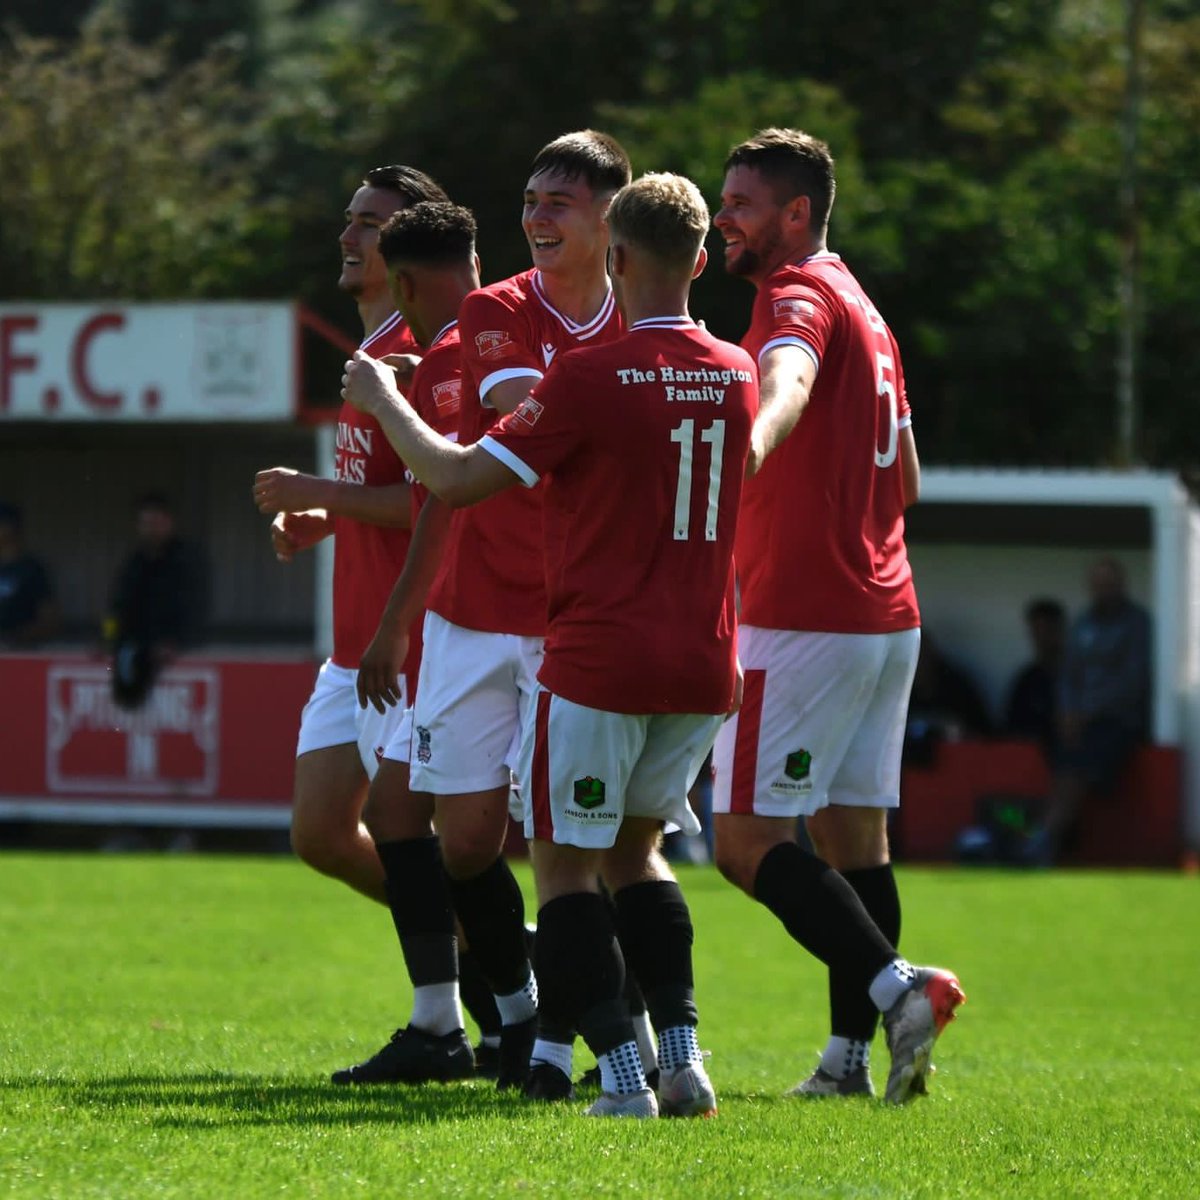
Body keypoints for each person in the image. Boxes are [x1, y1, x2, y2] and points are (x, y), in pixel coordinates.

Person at [344, 170, 747, 1119]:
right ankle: (683, 1058)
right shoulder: (735, 371)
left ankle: (617, 1075)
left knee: (564, 869)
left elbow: (453, 477)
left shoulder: (591, 375)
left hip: (599, 655)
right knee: (638, 860)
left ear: (616, 254)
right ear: (699, 260)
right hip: (702, 660)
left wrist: (382, 400)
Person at [337, 131, 635, 1096]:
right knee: (454, 838)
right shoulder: (489, 324)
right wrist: (397, 626)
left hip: (567, 626)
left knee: (583, 849)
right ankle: (507, 1017)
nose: (538, 218)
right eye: (531, 202)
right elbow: (447, 494)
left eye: (560, 202)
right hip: (466, 626)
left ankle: (603, 1038)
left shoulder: (639, 330)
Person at [710, 128, 964, 1103]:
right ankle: (848, 1064)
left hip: (804, 610)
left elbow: (783, 384)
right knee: (858, 841)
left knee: (744, 840)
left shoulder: (799, 295)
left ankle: (900, 987)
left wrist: (751, 447)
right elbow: (905, 479)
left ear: (795, 214)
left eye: (739, 202)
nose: (726, 217)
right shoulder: (868, 305)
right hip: (884, 609)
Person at [251, 166, 504, 1062]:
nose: (353, 238)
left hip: (413, 640)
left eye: (374, 225)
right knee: (324, 833)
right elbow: (386, 491)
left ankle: (467, 1003)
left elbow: (446, 494)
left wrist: (320, 488)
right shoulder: (375, 350)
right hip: (353, 641)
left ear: (410, 253)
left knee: (423, 832)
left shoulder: (424, 353)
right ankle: (485, 963)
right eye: (350, 220)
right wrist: (325, 515)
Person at [1031, 559, 1151, 864]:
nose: (1103, 590)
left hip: (1118, 721)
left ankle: (1043, 839)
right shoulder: (1083, 624)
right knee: (1063, 766)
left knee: (1076, 770)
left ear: (1121, 585)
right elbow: (1069, 676)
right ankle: (1046, 840)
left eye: (1109, 583)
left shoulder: (1137, 625)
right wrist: (1068, 712)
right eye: (1098, 584)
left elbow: (1133, 681)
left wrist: (1086, 713)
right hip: (1078, 723)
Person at [105, 492, 207, 708]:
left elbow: (196, 609)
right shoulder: (133, 564)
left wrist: (177, 642)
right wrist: (108, 639)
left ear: (169, 522)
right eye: (146, 523)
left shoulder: (186, 562)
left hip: (175, 645)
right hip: (136, 646)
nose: (151, 529)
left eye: (156, 522)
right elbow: (116, 608)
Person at [1004, 598, 1067, 756]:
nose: (1042, 638)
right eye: (1037, 631)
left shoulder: (1084, 676)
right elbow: (1009, 729)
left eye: (1048, 630)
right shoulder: (1027, 680)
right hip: (1030, 764)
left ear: (1060, 630)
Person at [0, 502, 58, 648]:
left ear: (10, 527)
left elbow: (50, 619)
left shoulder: (31, 569)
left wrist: (16, 637)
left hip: (21, 651)